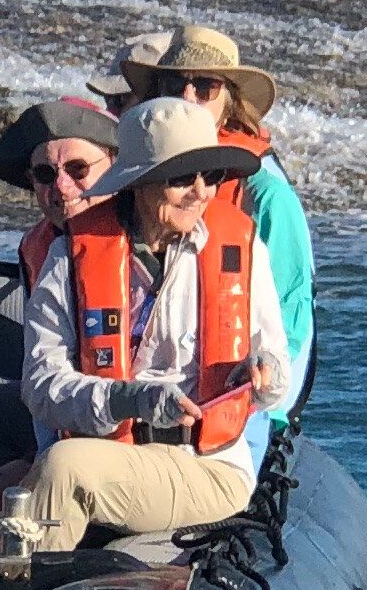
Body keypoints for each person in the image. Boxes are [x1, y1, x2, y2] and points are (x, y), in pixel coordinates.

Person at [0, 95, 298, 565]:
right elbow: (42, 388)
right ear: (140, 183)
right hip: (107, 452)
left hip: (208, 467)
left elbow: (277, 377)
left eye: (211, 176)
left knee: (66, 467)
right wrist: (129, 399)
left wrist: (263, 371)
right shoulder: (69, 257)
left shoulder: (244, 250)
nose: (201, 192)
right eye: (182, 178)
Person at [0, 95, 119, 548]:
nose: (61, 186)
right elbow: (41, 370)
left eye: (78, 169)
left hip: (123, 439)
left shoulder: (144, 241)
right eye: (44, 174)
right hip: (61, 422)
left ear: (114, 167)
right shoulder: (36, 248)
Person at [115, 24, 315, 372]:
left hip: (232, 388)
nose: (187, 96)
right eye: (175, 84)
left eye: (206, 86)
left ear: (230, 104)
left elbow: (290, 328)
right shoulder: (126, 179)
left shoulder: (269, 199)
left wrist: (260, 383)